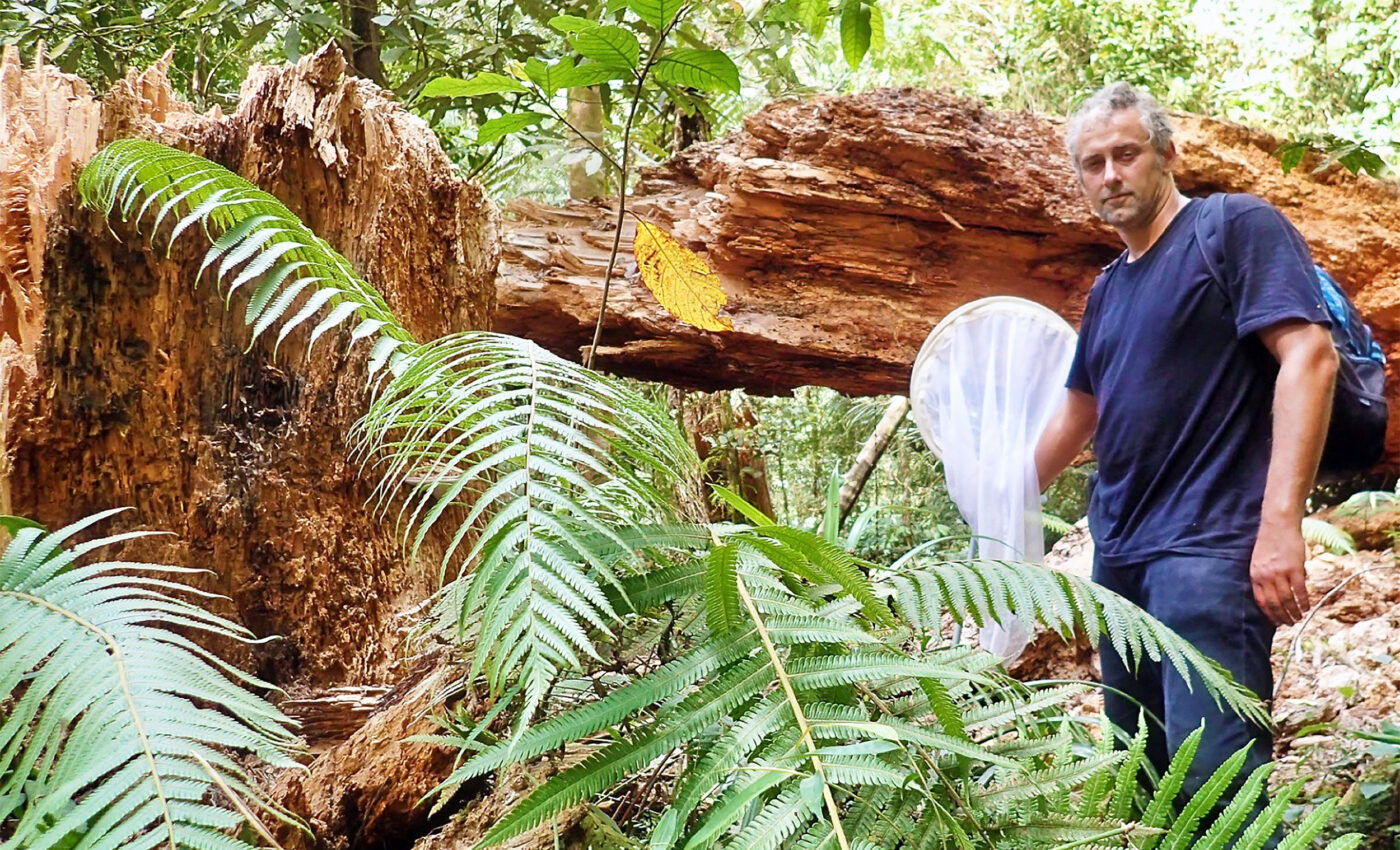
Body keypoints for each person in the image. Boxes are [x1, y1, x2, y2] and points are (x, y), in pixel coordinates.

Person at [1034, 82, 1339, 803]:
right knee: (1147, 781)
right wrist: (990, 490)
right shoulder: (1109, 289)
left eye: (1125, 154)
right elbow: (1076, 414)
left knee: (1218, 789)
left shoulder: (1233, 229)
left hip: (1208, 553)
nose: (1110, 175)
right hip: (1121, 565)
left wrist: (1280, 526)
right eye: (1092, 163)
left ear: (1168, 154)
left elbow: (1310, 357)